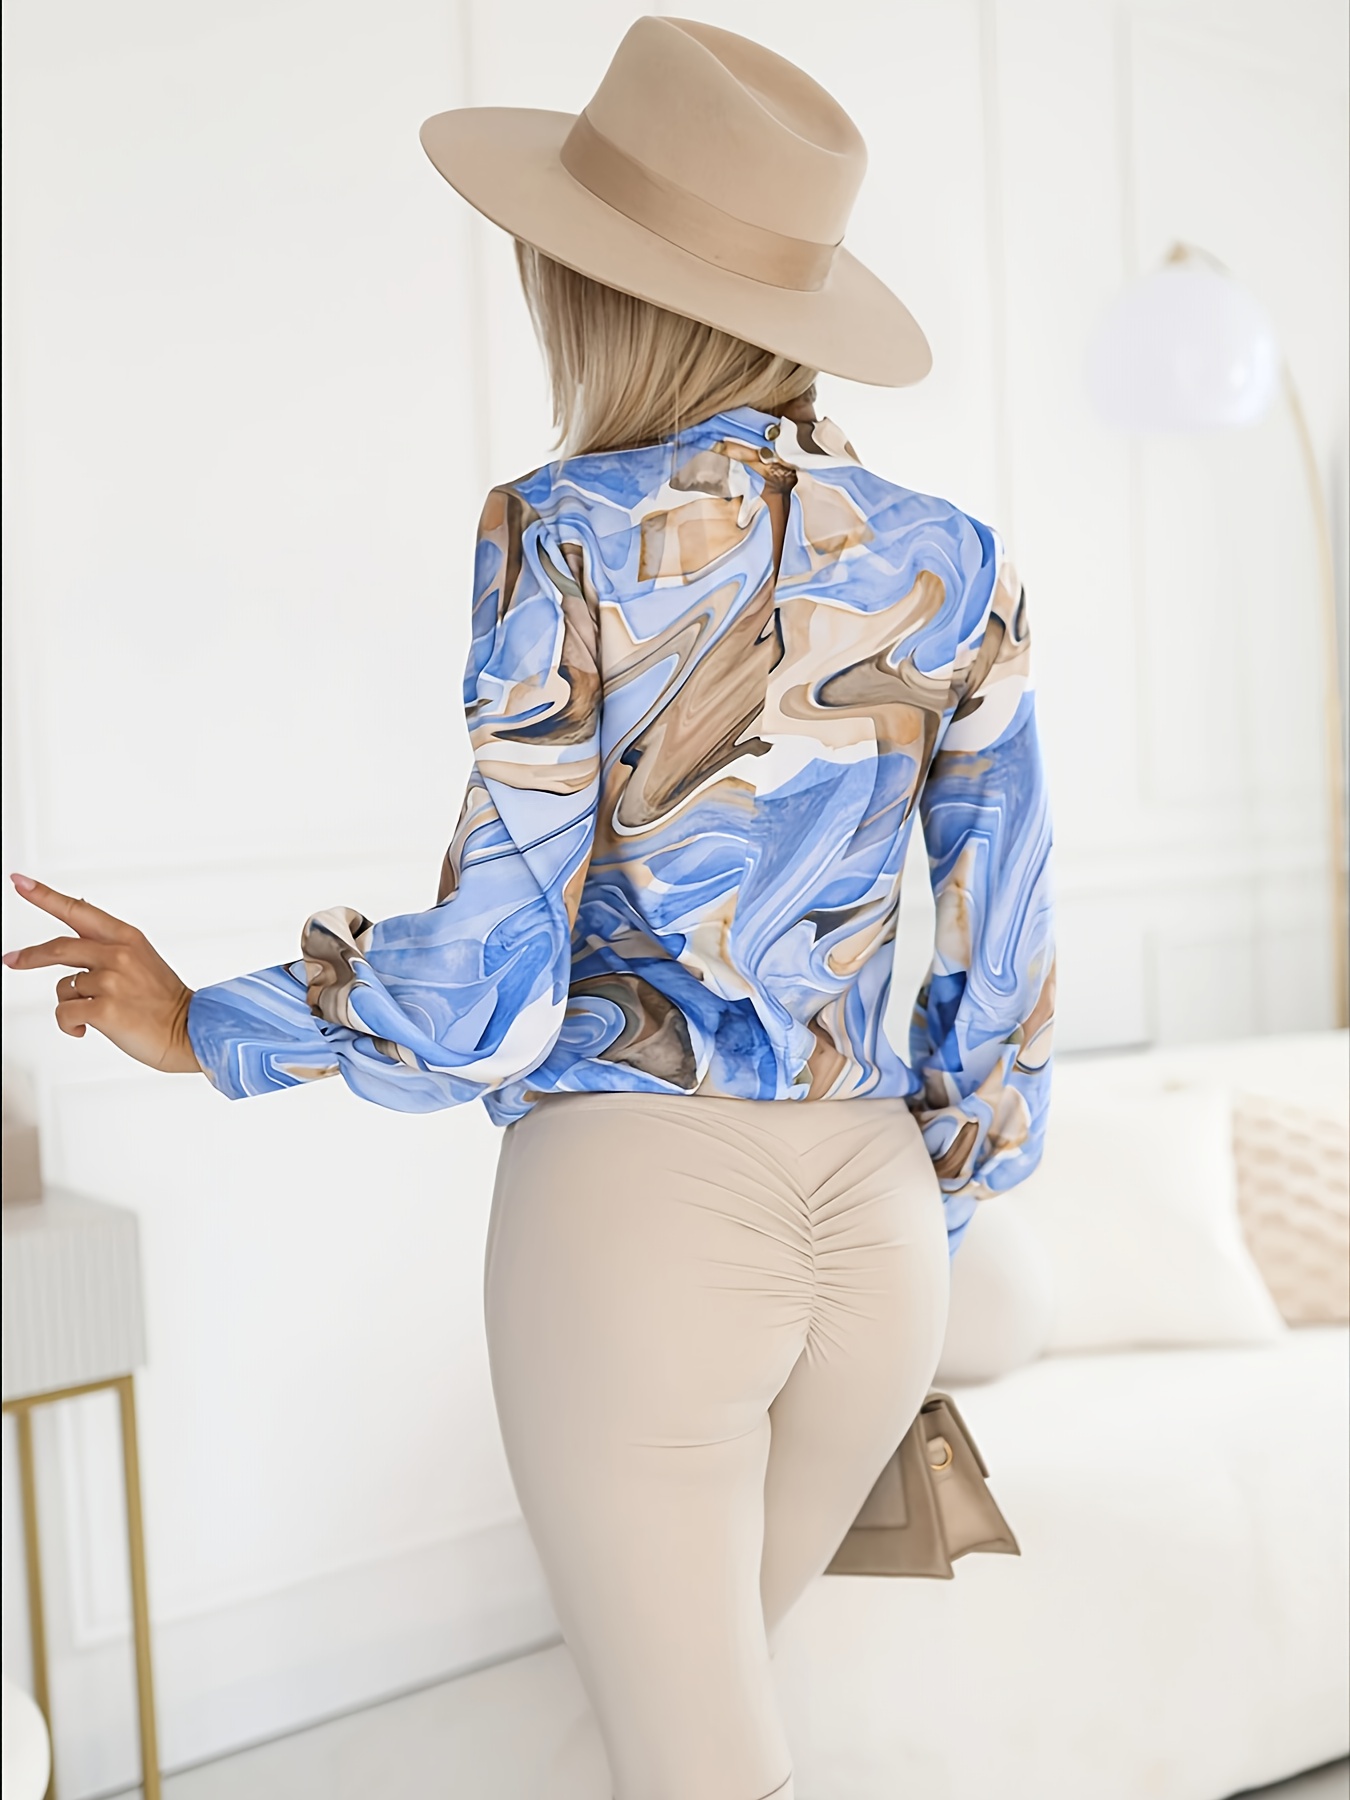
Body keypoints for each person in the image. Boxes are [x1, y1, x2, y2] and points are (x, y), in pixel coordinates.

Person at [4, 19, 1053, 1799]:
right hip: (883, 1225)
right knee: (691, 1736)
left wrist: (210, 1027)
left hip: (637, 1220)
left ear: (592, 288)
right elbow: (1004, 968)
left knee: (695, 1763)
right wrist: (928, 1194)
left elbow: (489, 988)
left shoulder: (558, 529)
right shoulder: (955, 560)